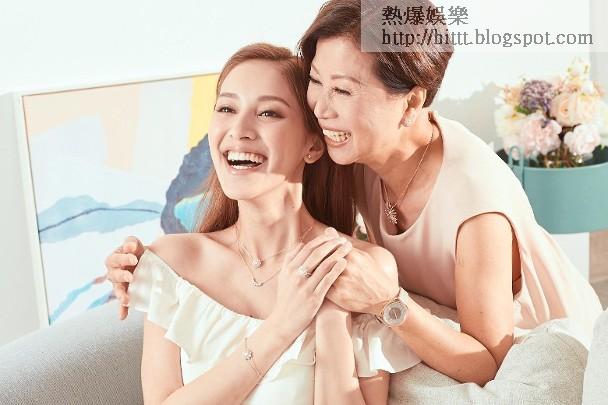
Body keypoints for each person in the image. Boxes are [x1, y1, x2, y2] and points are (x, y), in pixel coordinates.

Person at [107, 0, 602, 387]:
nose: (319, 107)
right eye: (316, 81)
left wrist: (389, 303)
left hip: (543, 354)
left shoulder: (474, 204)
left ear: (410, 103)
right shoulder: (354, 148)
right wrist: (142, 266)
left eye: (342, 91)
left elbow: (489, 361)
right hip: (434, 332)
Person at [122, 42, 419, 405]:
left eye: (268, 113)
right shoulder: (174, 262)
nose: (239, 129)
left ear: (313, 145)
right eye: (227, 108)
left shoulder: (362, 269)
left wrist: (331, 316)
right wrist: (281, 326)